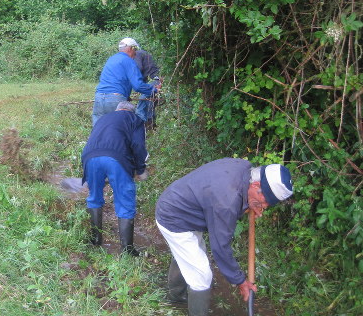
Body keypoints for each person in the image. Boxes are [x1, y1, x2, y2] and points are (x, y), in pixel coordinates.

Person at [155, 158, 293, 316]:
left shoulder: (244, 169)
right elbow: (220, 247)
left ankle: (176, 296)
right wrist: (240, 280)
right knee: (202, 276)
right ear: (256, 186)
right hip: (174, 217)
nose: (265, 207)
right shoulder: (227, 201)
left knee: (189, 255)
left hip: (184, 206)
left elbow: (235, 197)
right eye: (266, 201)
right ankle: (182, 300)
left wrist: (252, 203)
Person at [82, 101, 149, 256]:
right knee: (125, 200)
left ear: (118, 109)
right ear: (131, 111)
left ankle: (96, 240)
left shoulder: (103, 118)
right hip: (116, 158)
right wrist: (140, 169)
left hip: (89, 157)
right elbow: (138, 146)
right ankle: (127, 249)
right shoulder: (135, 120)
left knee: (94, 197)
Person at [92, 37, 160, 126]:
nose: (135, 54)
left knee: (98, 129)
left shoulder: (111, 59)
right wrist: (154, 90)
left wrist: (126, 95)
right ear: (131, 48)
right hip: (115, 99)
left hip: (99, 98)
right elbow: (138, 86)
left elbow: (113, 79)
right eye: (135, 50)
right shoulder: (129, 61)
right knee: (118, 130)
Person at [134, 47, 161, 130]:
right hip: (155, 80)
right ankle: (151, 127)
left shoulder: (137, 54)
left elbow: (138, 68)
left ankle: (140, 127)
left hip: (153, 81)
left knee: (141, 105)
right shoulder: (142, 53)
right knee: (149, 104)